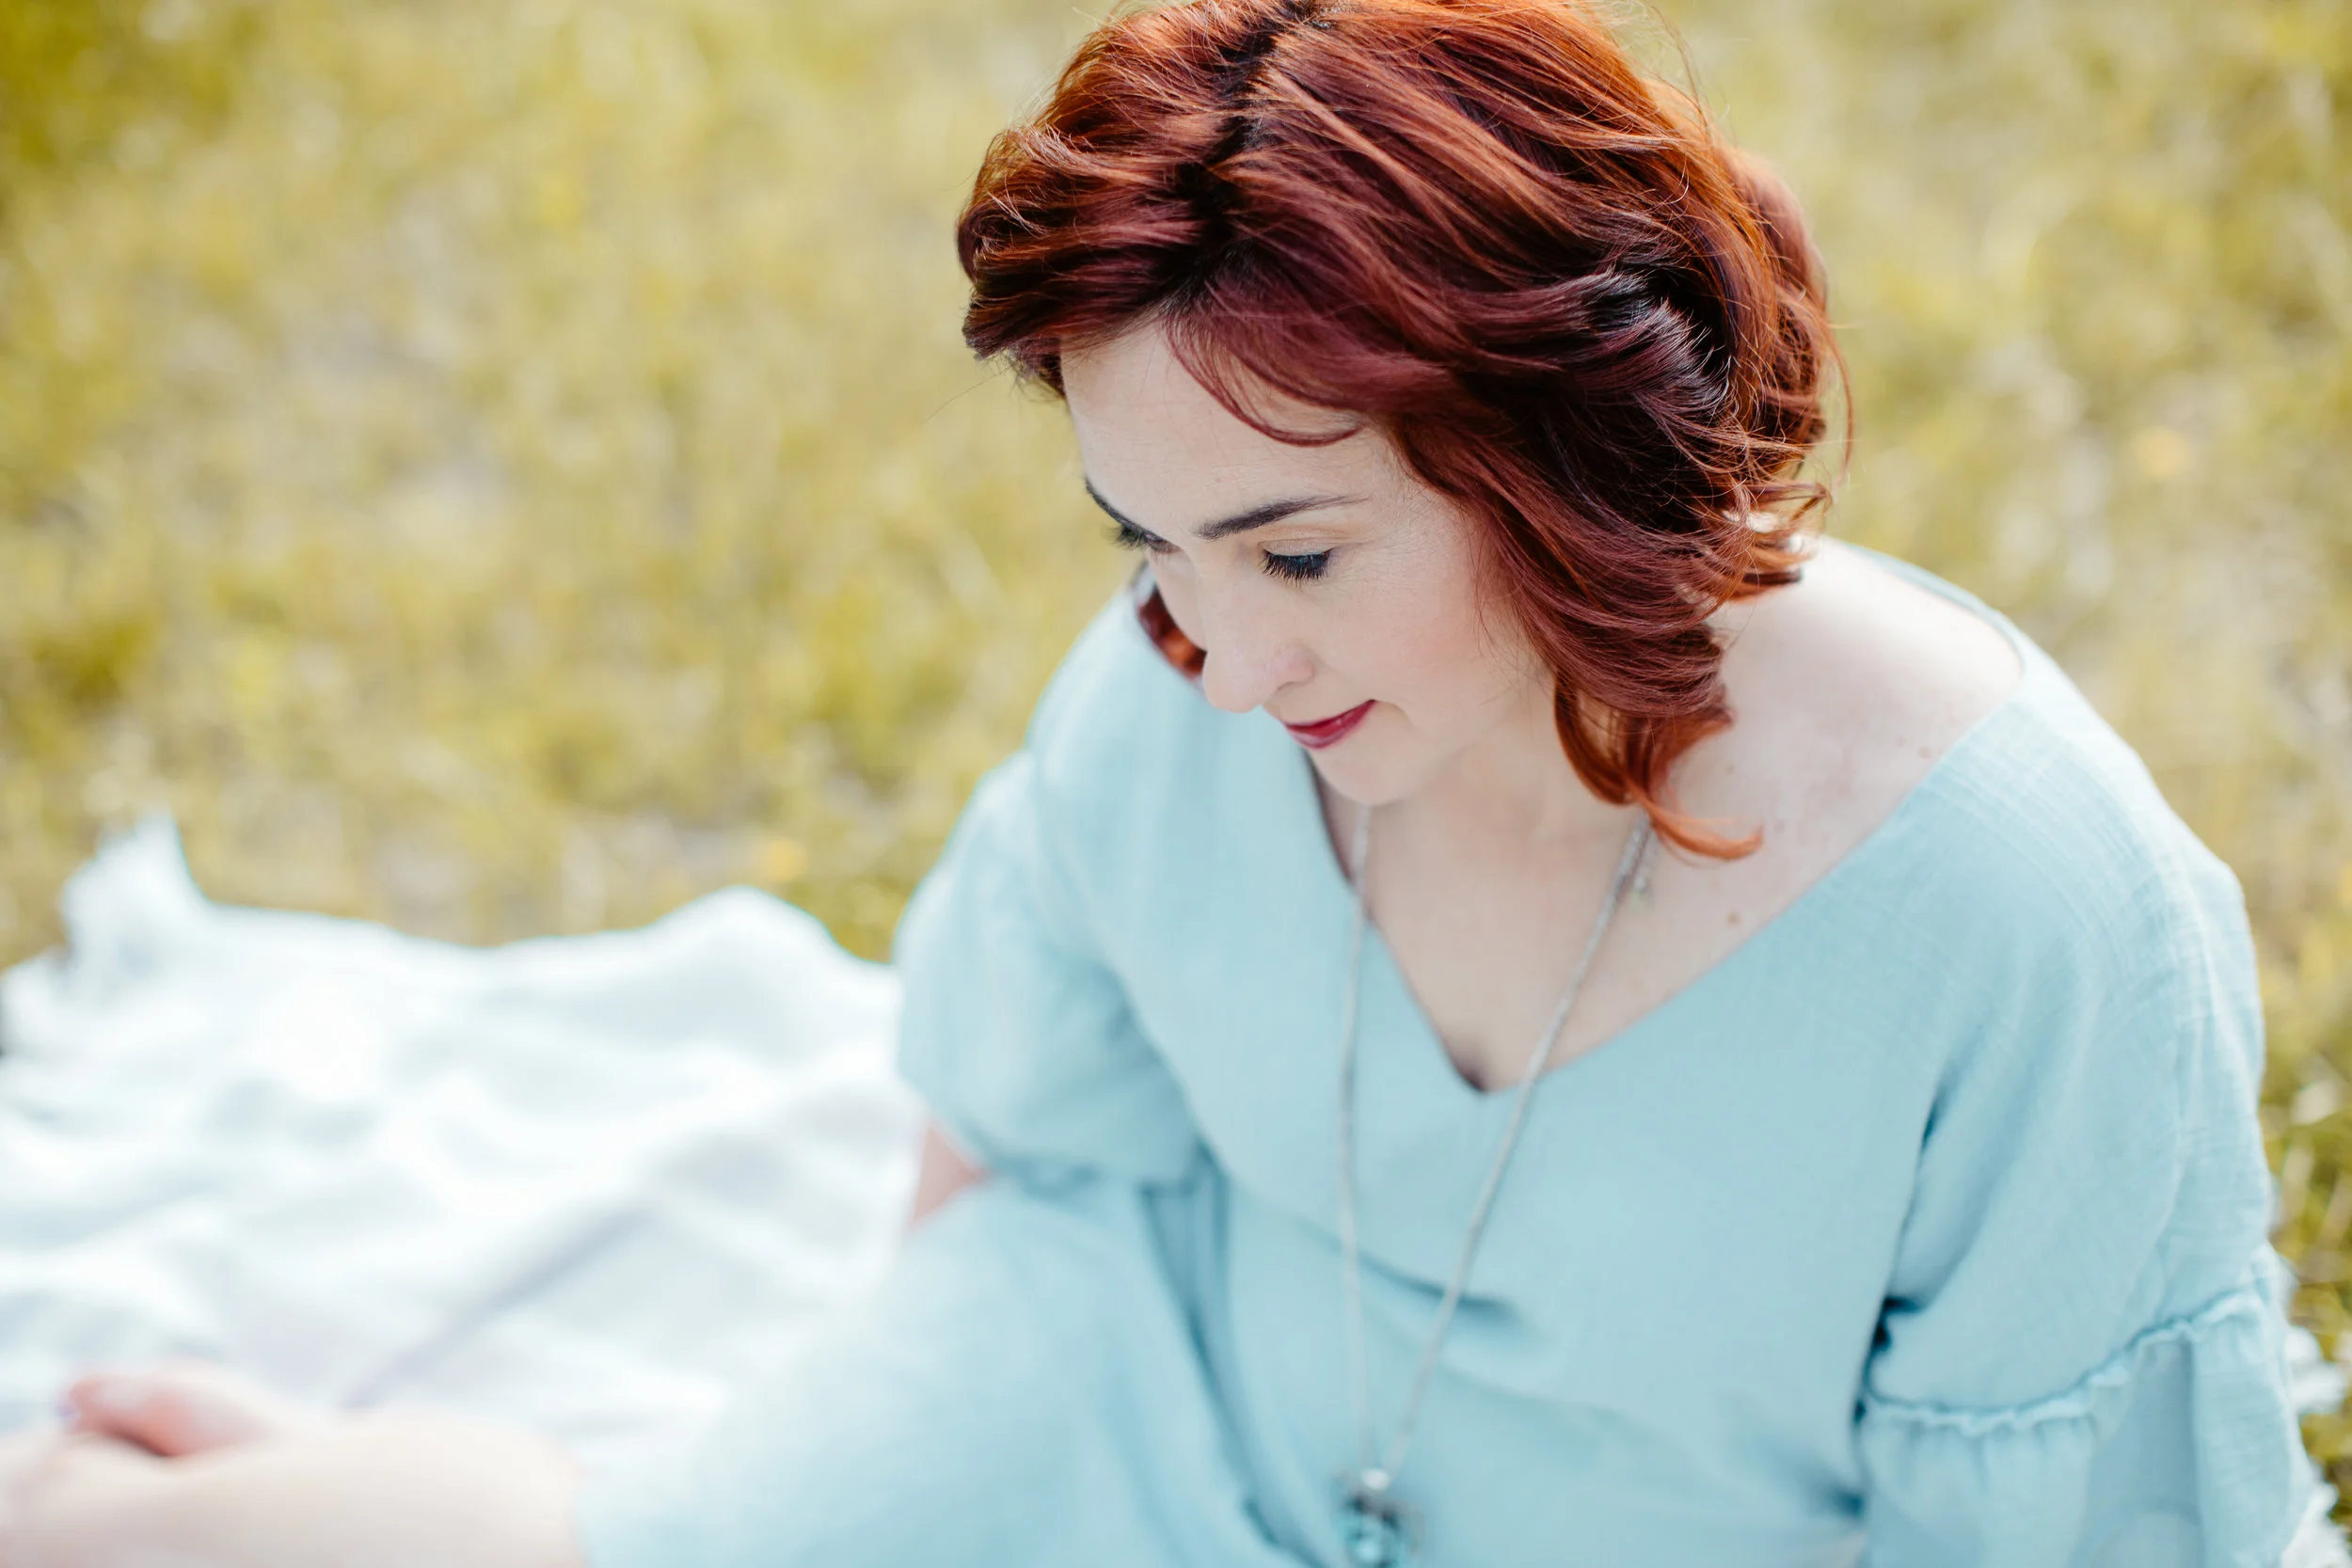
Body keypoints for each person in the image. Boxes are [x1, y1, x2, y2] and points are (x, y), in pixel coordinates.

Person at [0, 0, 2329, 1564]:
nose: (1212, 656)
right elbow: (1009, 1130)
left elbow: (2068, 1531)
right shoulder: (1179, 685)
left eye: (1296, 550)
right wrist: (833, 1484)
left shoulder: (2020, 909)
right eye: (1148, 542)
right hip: (1147, 1384)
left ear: (1555, 450)